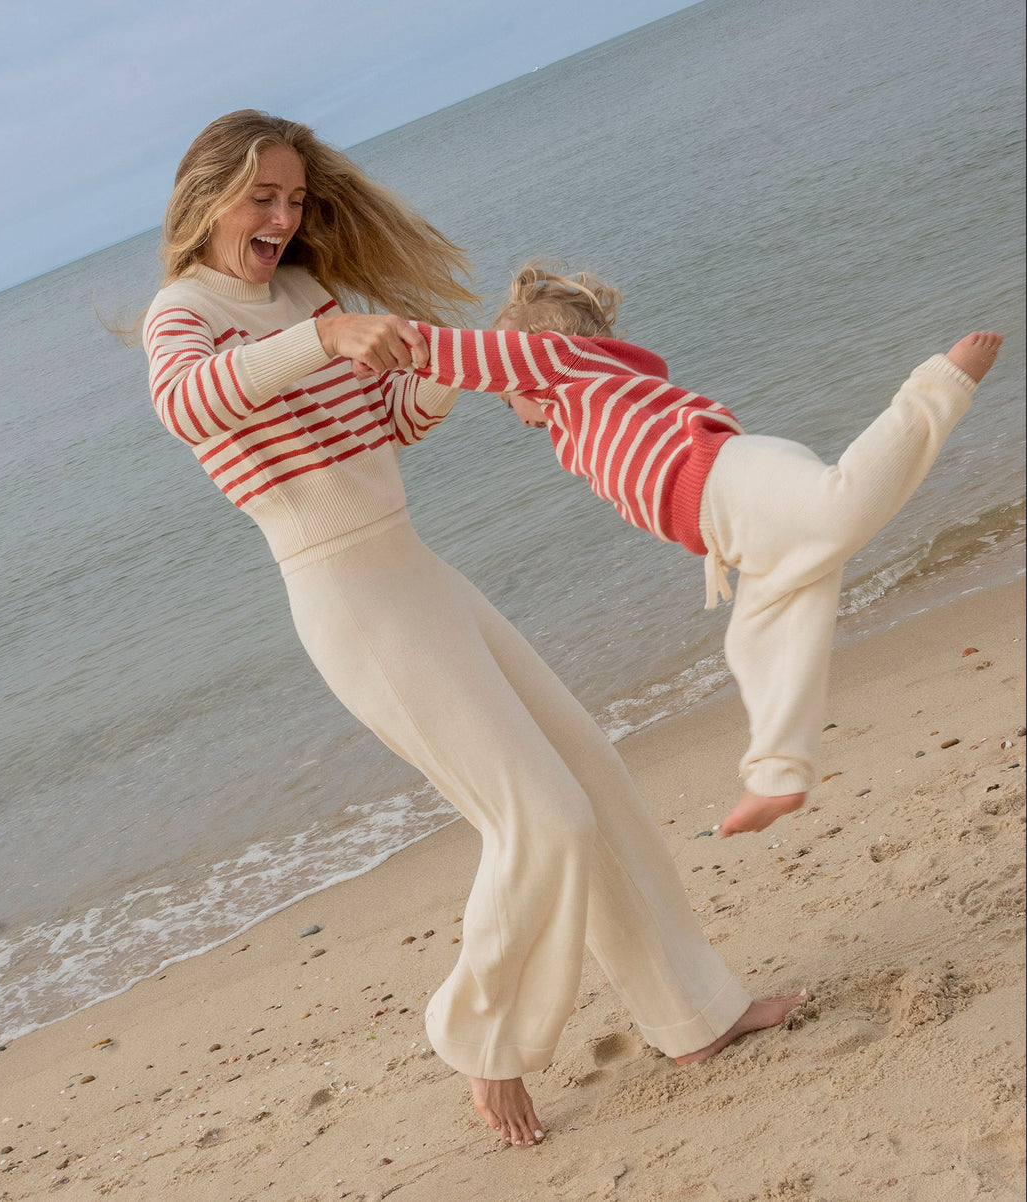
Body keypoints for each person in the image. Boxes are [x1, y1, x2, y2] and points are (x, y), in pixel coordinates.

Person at [143, 113, 801, 1150]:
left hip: (420, 573)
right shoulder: (182, 314)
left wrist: (498, 356)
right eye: (263, 196)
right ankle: (480, 1035)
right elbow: (189, 403)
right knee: (540, 816)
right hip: (350, 597)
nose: (282, 216)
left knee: (593, 776)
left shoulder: (305, 294)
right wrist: (324, 335)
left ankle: (696, 1015)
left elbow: (396, 415)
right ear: (208, 197)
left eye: (296, 199)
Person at [388, 264, 1002, 838]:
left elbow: (469, 356)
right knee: (757, 640)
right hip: (732, 527)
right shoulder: (584, 400)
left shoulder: (561, 366)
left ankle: (939, 386)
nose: (516, 416)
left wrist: (384, 347)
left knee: (839, 507)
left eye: (507, 399)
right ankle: (778, 777)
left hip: (734, 482)